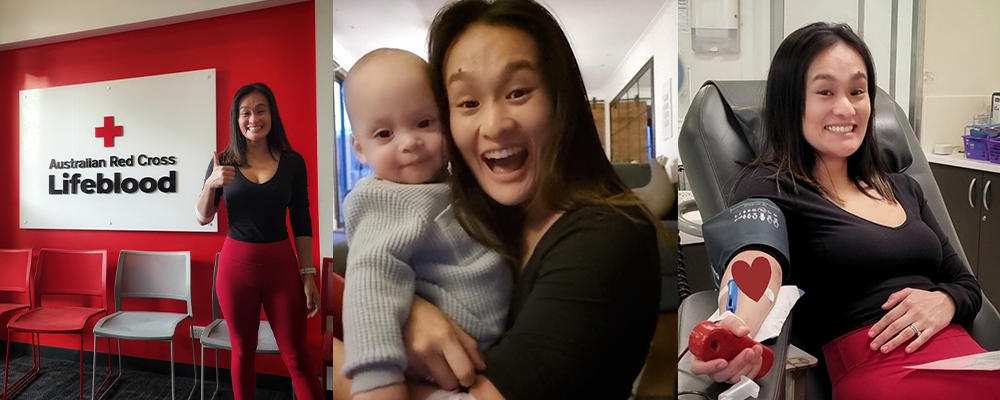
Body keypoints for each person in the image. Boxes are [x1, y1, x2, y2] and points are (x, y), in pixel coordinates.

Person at [689, 22, 1000, 400]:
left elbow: (967, 285)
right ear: (793, 102)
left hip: (969, 360)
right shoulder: (772, 187)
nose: (846, 107)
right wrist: (735, 326)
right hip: (882, 372)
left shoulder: (904, 187)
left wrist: (945, 301)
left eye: (857, 91)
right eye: (825, 92)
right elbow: (755, 256)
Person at [339, 48, 512, 400]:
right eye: (385, 134)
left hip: (482, 355)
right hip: (434, 372)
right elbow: (371, 283)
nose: (409, 142)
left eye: (424, 123)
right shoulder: (384, 200)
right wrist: (378, 381)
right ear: (360, 148)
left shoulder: (451, 186)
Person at [196, 82, 325, 400]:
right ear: (236, 120)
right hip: (235, 270)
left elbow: (301, 220)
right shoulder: (222, 161)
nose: (253, 118)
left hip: (282, 268)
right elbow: (203, 217)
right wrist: (211, 184)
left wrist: (307, 274)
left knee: (296, 356)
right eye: (245, 112)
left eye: (260, 110)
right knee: (242, 352)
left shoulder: (293, 162)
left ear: (271, 115)